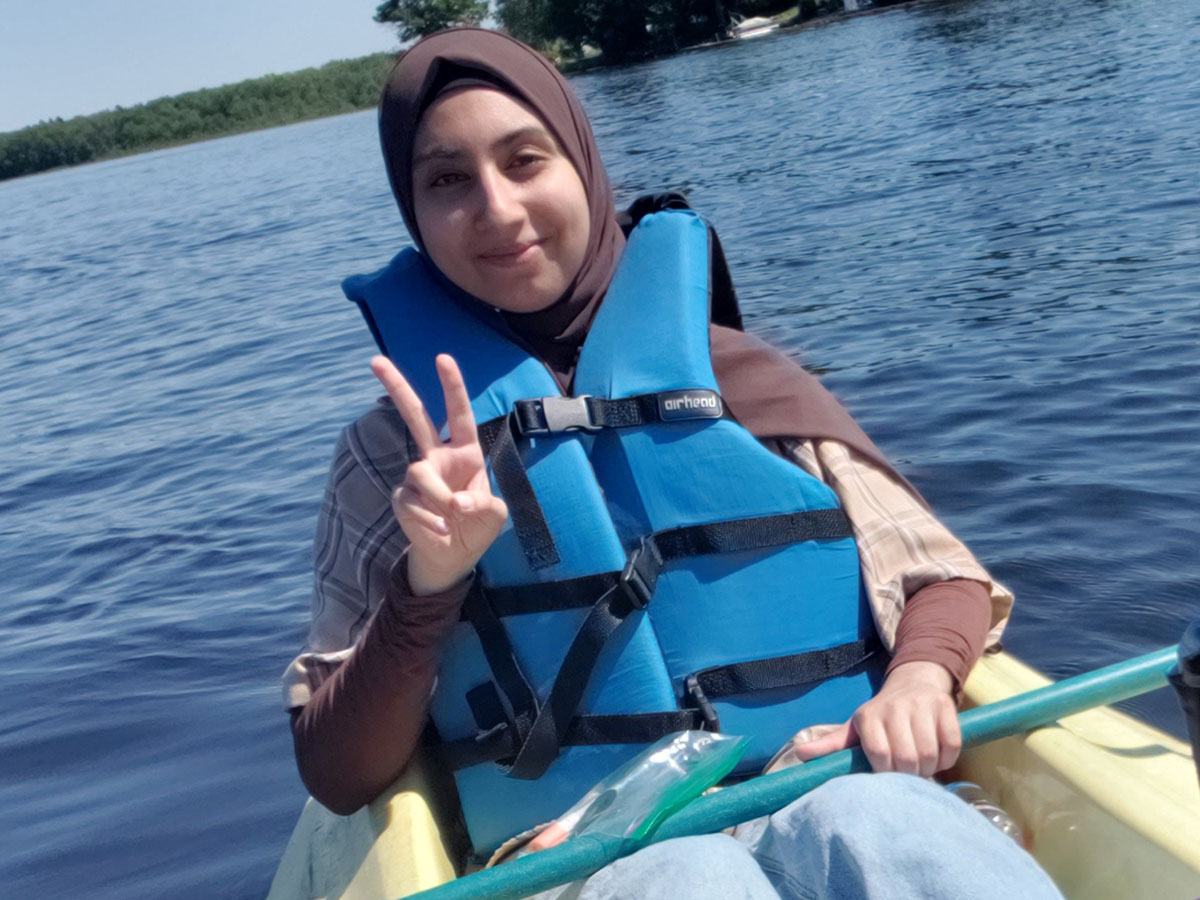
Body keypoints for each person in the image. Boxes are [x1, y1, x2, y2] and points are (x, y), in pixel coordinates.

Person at [282, 28, 1063, 899]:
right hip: (578, 857)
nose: (498, 209)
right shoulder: (392, 452)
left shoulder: (739, 375)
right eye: (447, 180)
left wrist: (916, 679)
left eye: (524, 160)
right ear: (412, 210)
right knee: (688, 877)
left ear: (580, 163)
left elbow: (937, 574)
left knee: (882, 821)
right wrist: (428, 585)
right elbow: (339, 768)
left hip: (818, 778)